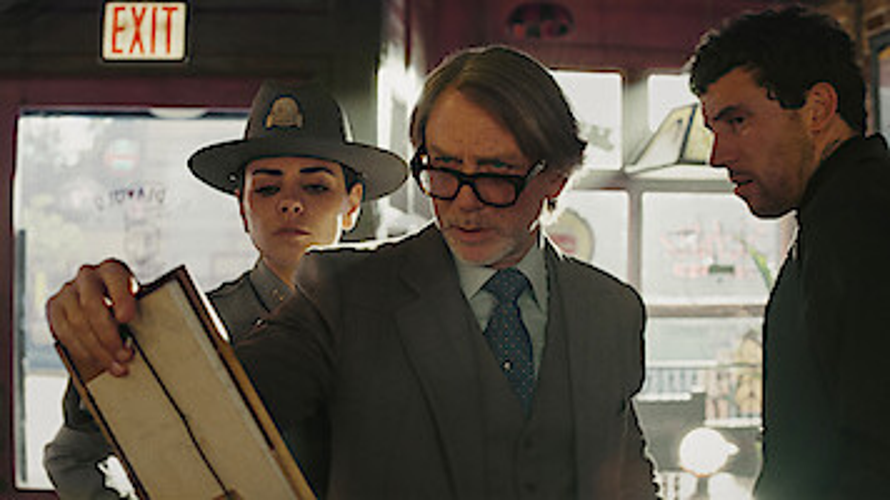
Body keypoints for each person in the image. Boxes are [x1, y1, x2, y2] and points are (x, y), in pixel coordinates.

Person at [48, 45, 659, 499]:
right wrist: (108, 336)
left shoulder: (611, 309)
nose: (464, 202)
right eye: (443, 171)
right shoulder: (345, 292)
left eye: (496, 175)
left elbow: (628, 476)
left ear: (556, 180)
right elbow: (215, 403)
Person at [43, 80, 408, 499]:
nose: (290, 202)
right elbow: (69, 459)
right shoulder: (194, 332)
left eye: (316, 186)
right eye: (267, 187)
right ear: (242, 208)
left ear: (352, 205)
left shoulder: (400, 323)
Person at [688, 6, 890, 498]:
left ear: (817, 109)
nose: (717, 155)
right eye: (714, 130)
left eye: (737, 121)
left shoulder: (862, 224)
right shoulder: (839, 216)